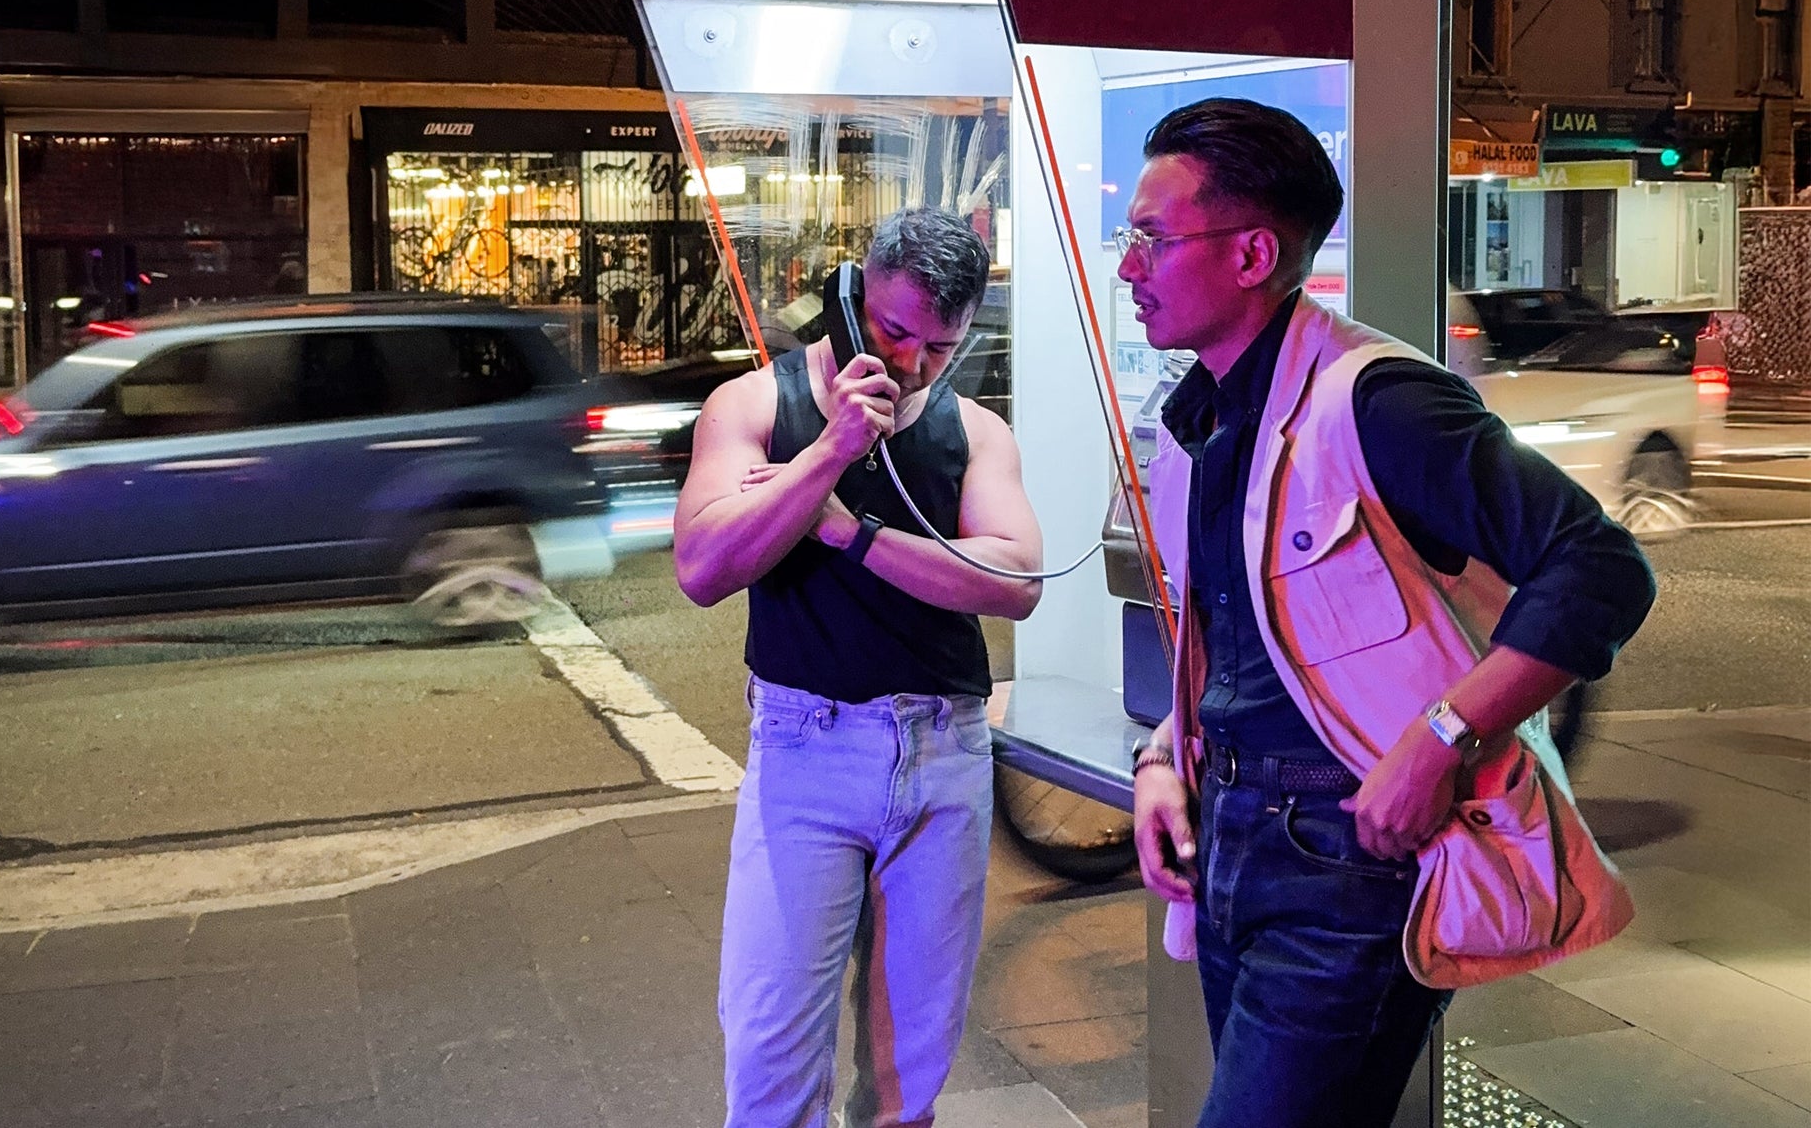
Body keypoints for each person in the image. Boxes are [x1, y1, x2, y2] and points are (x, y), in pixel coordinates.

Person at [1119, 99, 1655, 1127]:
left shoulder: (1377, 400)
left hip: (1343, 861)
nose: (1129, 268)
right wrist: (1160, 760)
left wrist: (1440, 739)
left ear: (1251, 254)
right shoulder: (1206, 414)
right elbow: (1240, 646)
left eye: (1152, 238)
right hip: (1229, 840)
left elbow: (1597, 565)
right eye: (1127, 238)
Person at [674, 206, 1044, 1128]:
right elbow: (704, 567)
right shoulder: (757, 405)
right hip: (808, 745)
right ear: (850, 294)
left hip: (943, 747)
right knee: (769, 1058)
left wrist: (847, 529)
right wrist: (830, 451)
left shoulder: (974, 432)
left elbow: (1015, 581)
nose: (912, 363)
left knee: (907, 1072)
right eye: (893, 331)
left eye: (941, 346)